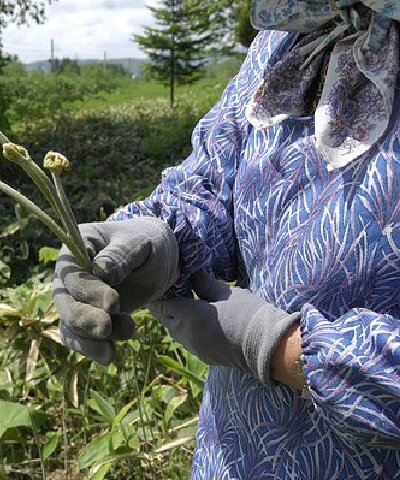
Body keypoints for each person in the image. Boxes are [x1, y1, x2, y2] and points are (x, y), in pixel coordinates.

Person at [53, 1, 400, 478]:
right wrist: (158, 238)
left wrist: (280, 350)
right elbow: (216, 179)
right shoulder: (290, 34)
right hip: (233, 451)